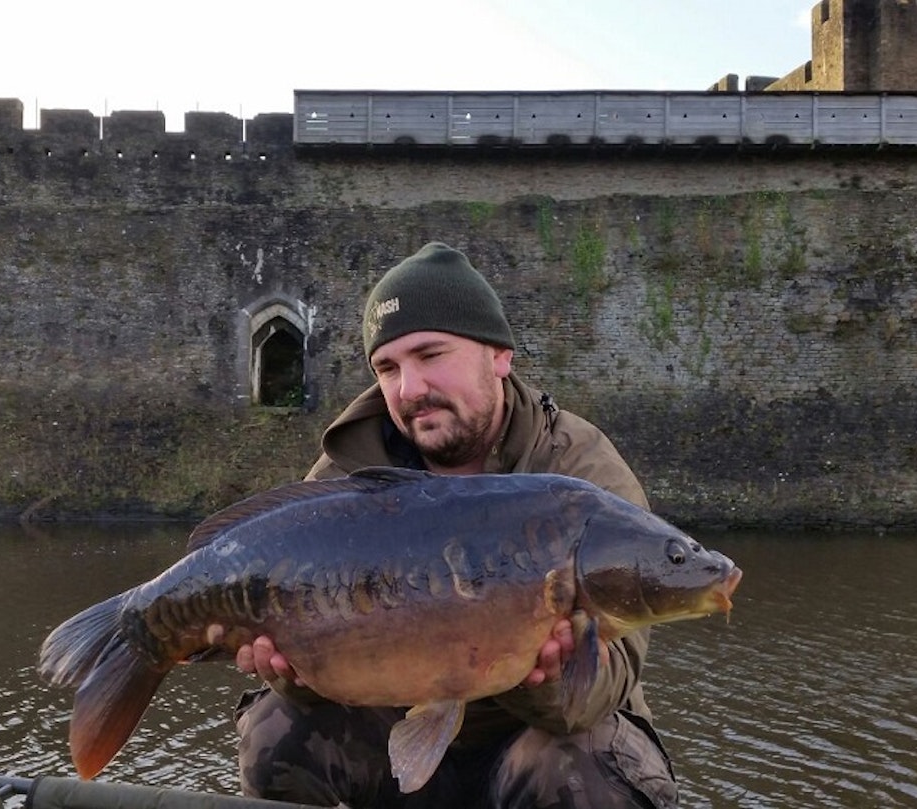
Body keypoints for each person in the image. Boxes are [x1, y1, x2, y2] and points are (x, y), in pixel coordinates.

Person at [231, 242, 678, 809]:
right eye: (387, 368)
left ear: (499, 355)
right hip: (394, 727)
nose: (409, 389)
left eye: (431, 355)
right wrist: (294, 670)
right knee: (275, 729)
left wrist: (537, 673)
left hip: (529, 740)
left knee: (592, 766)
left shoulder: (580, 472)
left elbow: (602, 689)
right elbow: (307, 654)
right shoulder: (346, 477)